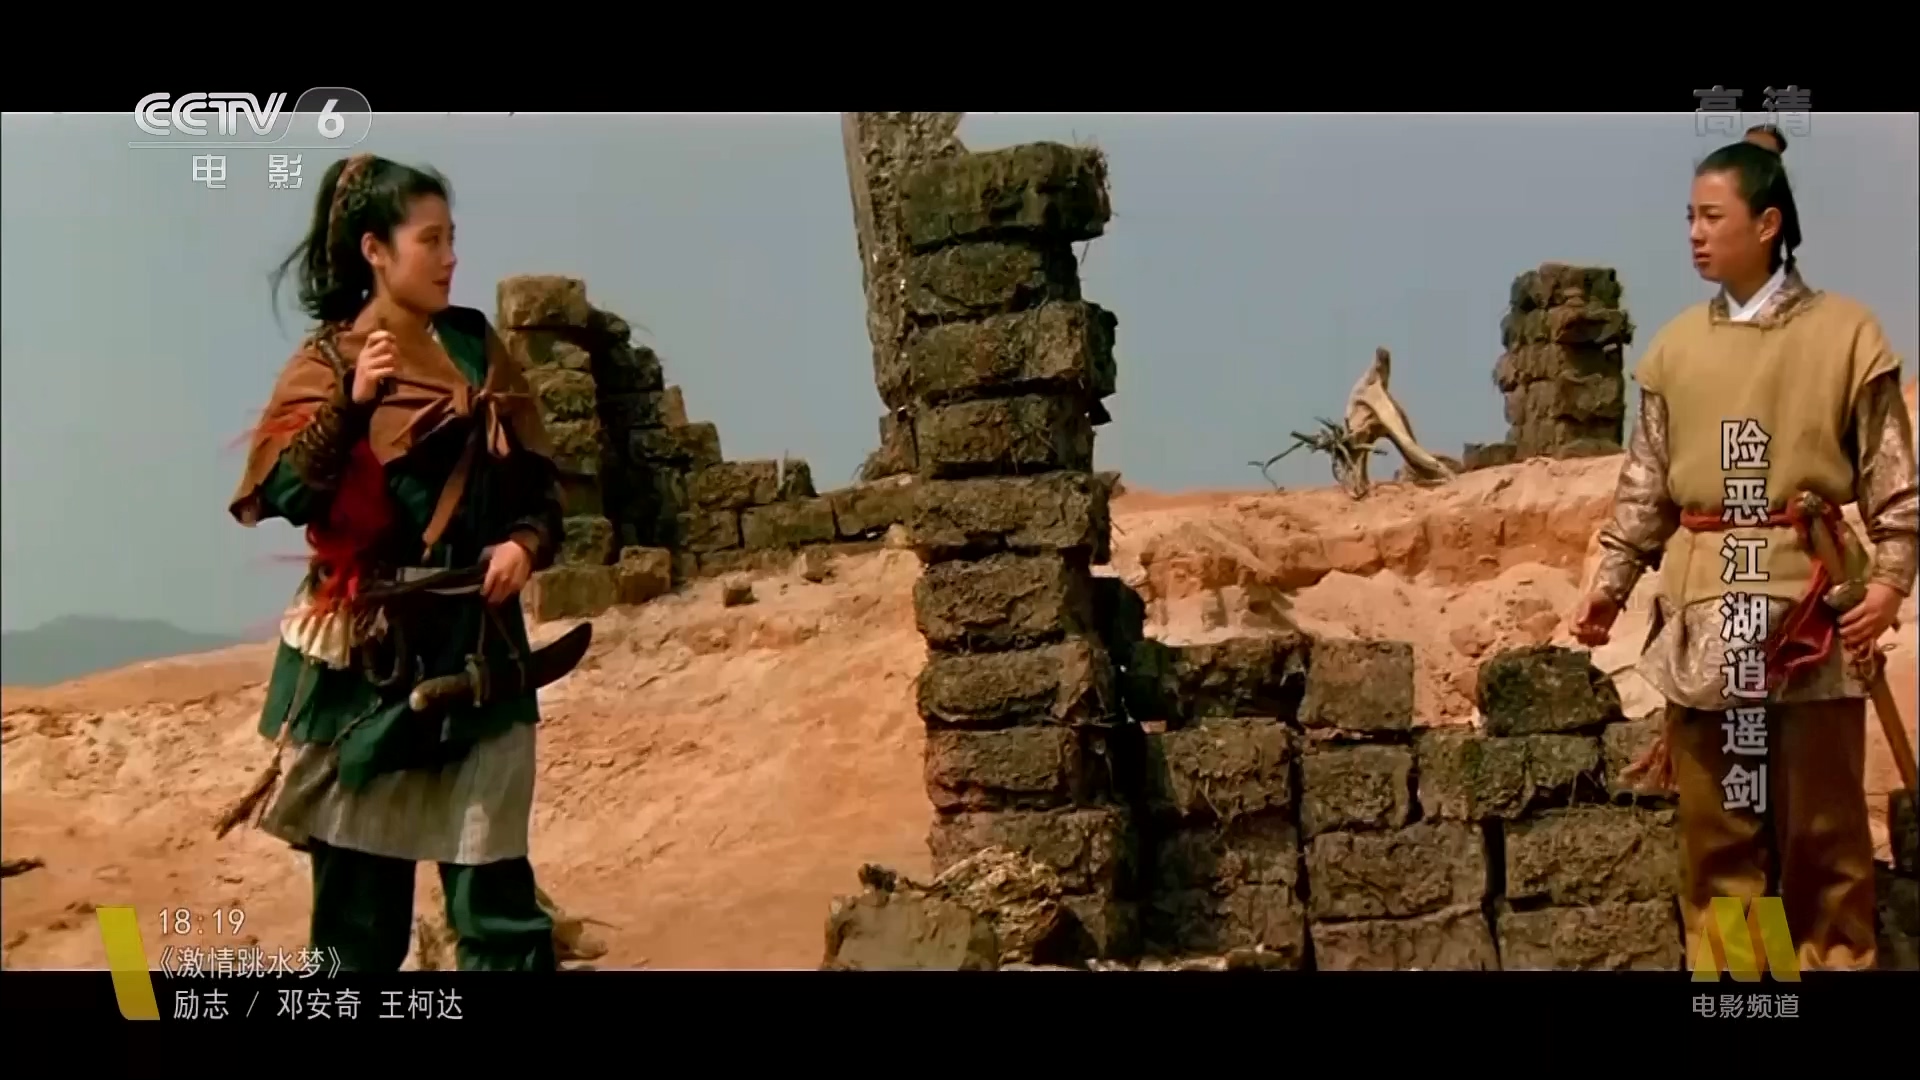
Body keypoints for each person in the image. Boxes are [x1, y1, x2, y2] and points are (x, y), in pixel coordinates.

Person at [1571, 138, 1917, 971]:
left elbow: (1895, 482)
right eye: (1689, 217)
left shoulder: (1847, 335)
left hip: (1813, 609)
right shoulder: (1673, 350)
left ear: (1766, 225)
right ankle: (1747, 989)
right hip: (1707, 610)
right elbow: (1646, 485)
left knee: (1823, 836)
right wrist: (1611, 583)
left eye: (1711, 216)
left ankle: (1834, 970)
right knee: (1721, 839)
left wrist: (1891, 582)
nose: (1694, 233)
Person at [226, 153, 567, 971]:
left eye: (452, 239)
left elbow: (541, 492)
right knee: (357, 934)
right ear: (376, 251)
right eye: (431, 241)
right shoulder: (328, 363)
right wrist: (351, 408)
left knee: (499, 918)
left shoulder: (477, 348)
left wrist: (524, 545)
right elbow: (284, 492)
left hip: (482, 654)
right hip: (371, 670)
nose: (450, 258)